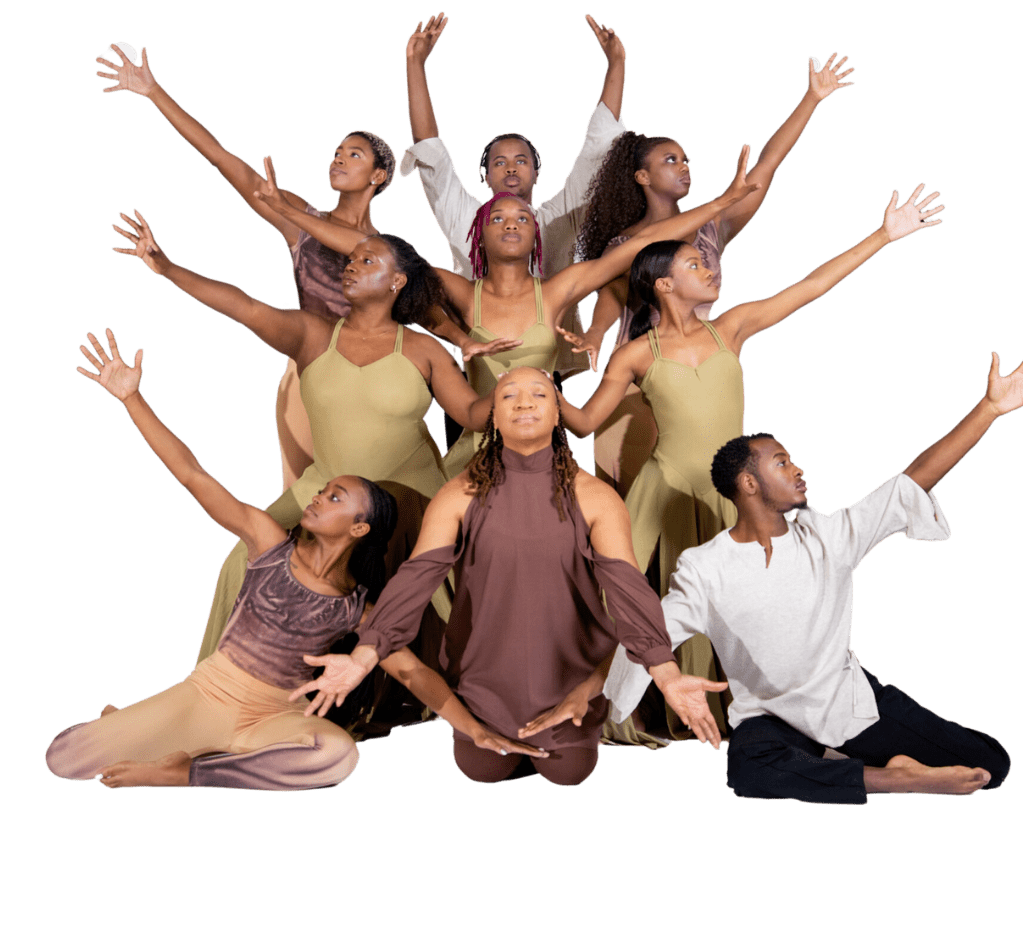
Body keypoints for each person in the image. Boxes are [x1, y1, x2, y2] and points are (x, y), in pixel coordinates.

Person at [45, 329, 545, 791]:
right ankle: (155, 731)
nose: (316, 498)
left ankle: (188, 769)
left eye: (335, 498)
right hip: (207, 696)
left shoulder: (357, 608)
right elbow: (193, 475)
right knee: (63, 758)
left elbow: (414, 675)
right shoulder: (268, 544)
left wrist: (474, 730)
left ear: (359, 528)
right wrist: (132, 398)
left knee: (336, 757)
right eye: (323, 490)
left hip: (271, 720)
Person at [559, 183, 946, 742]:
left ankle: (741, 708)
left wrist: (883, 234)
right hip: (664, 487)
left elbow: (812, 287)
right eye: (696, 263)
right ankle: (609, 709)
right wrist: (540, 396)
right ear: (664, 283)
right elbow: (587, 422)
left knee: (740, 602)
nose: (711, 269)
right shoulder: (636, 353)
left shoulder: (731, 327)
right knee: (629, 596)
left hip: (732, 491)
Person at [605, 347, 1023, 803]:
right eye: (781, 462)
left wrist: (989, 408)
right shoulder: (705, 567)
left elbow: (912, 481)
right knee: (747, 772)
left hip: (849, 705)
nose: (798, 469)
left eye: (793, 459)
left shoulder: (829, 536)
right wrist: (656, 681)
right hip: (769, 715)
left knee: (991, 765)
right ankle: (889, 778)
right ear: (747, 484)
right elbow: (650, 633)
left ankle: (844, 762)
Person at [109, 211, 495, 698]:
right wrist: (166, 267)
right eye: (350, 260)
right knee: (237, 561)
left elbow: (473, 413)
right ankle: (208, 691)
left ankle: (470, 683)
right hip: (326, 483)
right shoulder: (315, 335)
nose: (350, 266)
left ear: (397, 281)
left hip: (409, 488)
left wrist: (517, 386)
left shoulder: (422, 349)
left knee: (435, 562)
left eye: (366, 259)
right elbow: (244, 307)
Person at [286, 367, 727, 788]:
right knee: (480, 769)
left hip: (568, 679)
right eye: (508, 395)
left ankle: (569, 720)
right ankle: (490, 725)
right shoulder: (459, 493)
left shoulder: (595, 497)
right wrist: (364, 656)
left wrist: (666, 673)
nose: (524, 403)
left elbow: (629, 590)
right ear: (493, 416)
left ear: (558, 414)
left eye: (539, 394)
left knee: (570, 772)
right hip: (483, 679)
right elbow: (415, 579)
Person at [259, 148, 763, 477]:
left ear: (535, 234)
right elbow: (368, 243)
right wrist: (291, 213)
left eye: (522, 216)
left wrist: (724, 201)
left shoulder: (559, 288)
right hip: (475, 447)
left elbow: (643, 244)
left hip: (544, 445)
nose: (510, 222)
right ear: (479, 235)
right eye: (496, 217)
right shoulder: (460, 290)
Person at [93, 41, 398, 490]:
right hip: (311, 370)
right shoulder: (302, 220)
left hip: (374, 378)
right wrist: (154, 92)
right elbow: (222, 158)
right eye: (336, 150)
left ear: (379, 176)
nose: (338, 157)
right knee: (306, 500)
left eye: (354, 154)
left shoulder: (388, 251)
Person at [570, 53, 856, 494]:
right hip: (639, 378)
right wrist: (594, 331)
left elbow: (766, 165)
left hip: (704, 369)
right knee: (636, 503)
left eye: (687, 160)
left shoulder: (710, 230)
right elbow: (612, 294)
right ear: (641, 176)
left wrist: (812, 98)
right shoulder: (625, 244)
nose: (684, 167)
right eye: (671, 160)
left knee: (710, 490)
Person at [401, 12, 628, 379]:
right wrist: (415, 64)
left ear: (537, 172)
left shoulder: (557, 219)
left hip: (546, 370)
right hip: (477, 367)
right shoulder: (468, 219)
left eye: (521, 161)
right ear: (486, 175)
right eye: (499, 162)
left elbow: (596, 149)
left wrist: (616, 62)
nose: (510, 168)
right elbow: (430, 149)